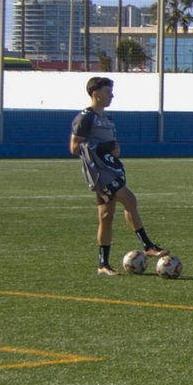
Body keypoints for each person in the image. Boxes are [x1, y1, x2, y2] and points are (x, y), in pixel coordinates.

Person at [69, 76, 167, 277]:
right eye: (107, 91)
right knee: (130, 199)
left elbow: (114, 147)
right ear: (95, 94)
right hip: (99, 174)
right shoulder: (85, 118)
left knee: (106, 217)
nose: (111, 95)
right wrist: (101, 147)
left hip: (111, 170)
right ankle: (147, 245)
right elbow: (74, 147)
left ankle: (103, 265)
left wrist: (114, 149)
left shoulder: (108, 119)